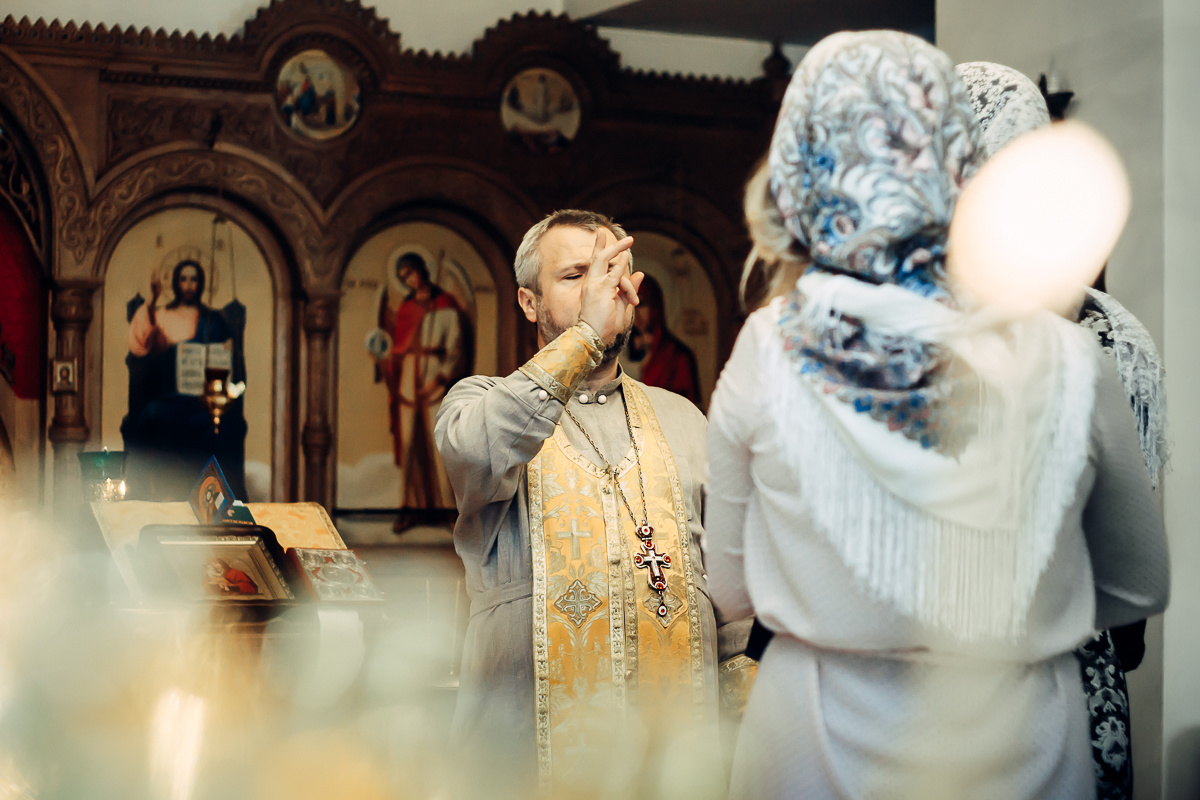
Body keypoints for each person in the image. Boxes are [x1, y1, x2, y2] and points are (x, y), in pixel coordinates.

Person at [703, 32, 1169, 799]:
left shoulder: (770, 347)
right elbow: (1138, 584)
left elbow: (729, 587)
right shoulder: (1067, 353)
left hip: (814, 743)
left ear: (805, 168)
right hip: (1023, 742)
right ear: (962, 162)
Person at [435, 209, 741, 797]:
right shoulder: (478, 402)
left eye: (614, 272)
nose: (604, 288)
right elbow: (478, 450)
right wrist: (584, 337)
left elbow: (732, 598)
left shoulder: (683, 417)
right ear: (529, 303)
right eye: (577, 275)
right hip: (524, 764)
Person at [958, 60, 1170, 800]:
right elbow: (1135, 587)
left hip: (1001, 682)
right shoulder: (1102, 333)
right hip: (1059, 661)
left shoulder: (1105, 338)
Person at [122, 259, 247, 500]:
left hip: (204, 398)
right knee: (153, 414)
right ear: (177, 283)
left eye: (194, 280)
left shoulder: (214, 320)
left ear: (200, 284)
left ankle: (216, 494)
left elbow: (228, 363)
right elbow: (140, 345)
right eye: (184, 279)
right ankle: (162, 491)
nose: (189, 285)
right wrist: (154, 298)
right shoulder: (162, 314)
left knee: (227, 424)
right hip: (171, 395)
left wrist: (228, 350)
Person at [377, 252, 469, 530]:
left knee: (439, 444)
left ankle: (447, 511)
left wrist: (439, 379)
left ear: (422, 270)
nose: (409, 280)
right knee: (408, 446)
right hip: (407, 379)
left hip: (434, 378)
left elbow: (454, 344)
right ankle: (409, 508)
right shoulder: (406, 308)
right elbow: (398, 347)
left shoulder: (445, 304)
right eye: (403, 277)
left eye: (411, 272)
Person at [627, 274, 702, 404]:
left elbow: (685, 405)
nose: (636, 312)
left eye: (642, 304)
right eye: (631, 304)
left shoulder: (678, 356)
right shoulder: (618, 348)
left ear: (655, 307)